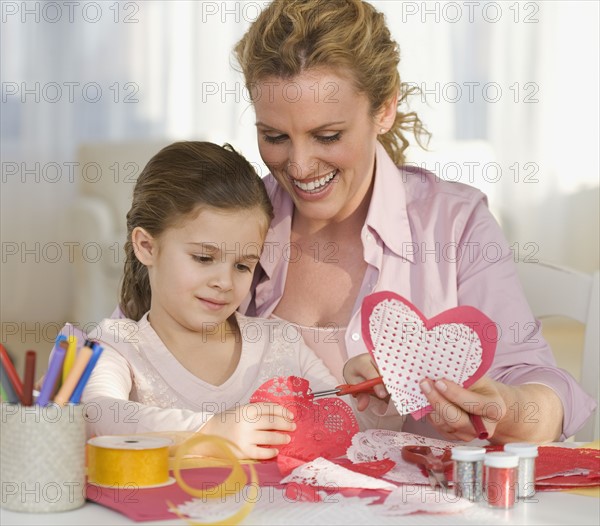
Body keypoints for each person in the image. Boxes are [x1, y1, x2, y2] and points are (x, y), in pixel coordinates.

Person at [233, 0, 596, 443]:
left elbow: (548, 398)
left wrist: (501, 407)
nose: (301, 165)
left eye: (328, 136)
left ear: (384, 109)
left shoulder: (455, 225)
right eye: (274, 137)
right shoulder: (229, 220)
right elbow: (133, 350)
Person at [80, 141, 346, 460]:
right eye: (204, 258)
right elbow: (99, 414)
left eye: (242, 265)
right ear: (147, 247)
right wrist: (211, 432)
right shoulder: (116, 346)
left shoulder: (279, 342)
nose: (224, 282)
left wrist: (369, 399)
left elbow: (340, 419)